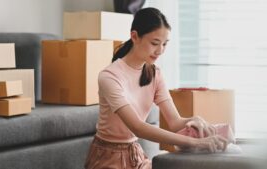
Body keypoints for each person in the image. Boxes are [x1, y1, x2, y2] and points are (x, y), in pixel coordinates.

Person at [85, 7, 228, 169]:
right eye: (154, 43)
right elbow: (137, 127)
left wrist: (194, 120)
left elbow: (174, 122)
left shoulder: (155, 74)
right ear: (134, 36)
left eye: (165, 44)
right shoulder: (109, 76)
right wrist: (195, 142)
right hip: (107, 157)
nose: (160, 51)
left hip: (135, 154)